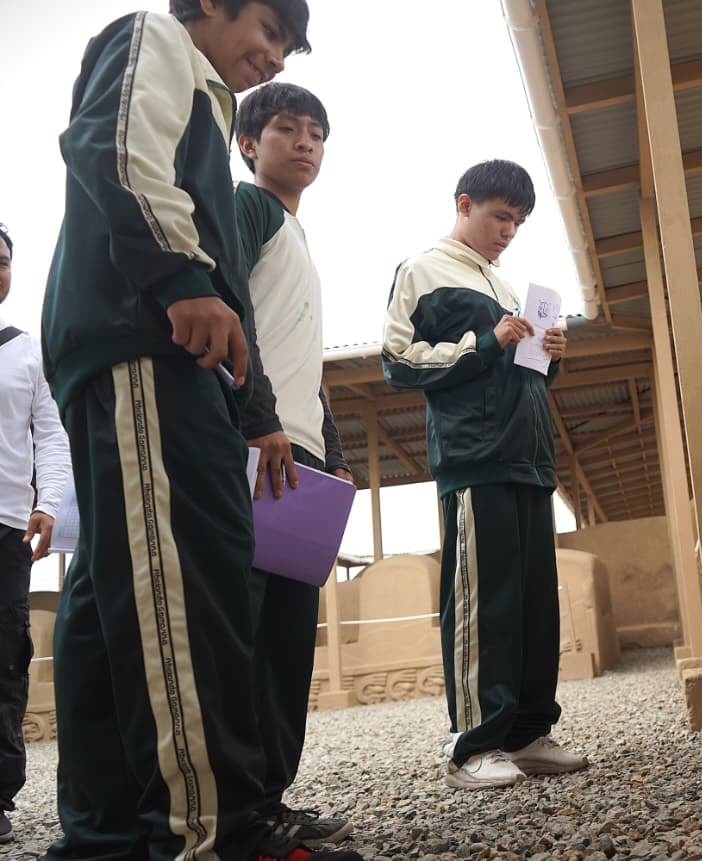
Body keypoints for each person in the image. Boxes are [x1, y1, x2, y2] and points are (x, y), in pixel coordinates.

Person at [40, 3, 361, 859]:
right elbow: (109, 148)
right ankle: (212, 832)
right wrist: (180, 275)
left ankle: (107, 835)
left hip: (159, 353)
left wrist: (253, 410)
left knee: (124, 597)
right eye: (268, 26)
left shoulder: (208, 108)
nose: (275, 52)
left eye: (289, 46)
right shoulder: (156, 39)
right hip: (147, 339)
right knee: (180, 585)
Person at [381, 159, 588, 790]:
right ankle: (474, 746)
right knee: (483, 603)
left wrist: (544, 358)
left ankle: (525, 734)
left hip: (529, 460)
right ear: (464, 203)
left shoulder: (501, 281)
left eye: (519, 222)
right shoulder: (422, 270)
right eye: (501, 216)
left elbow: (514, 371)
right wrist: (486, 341)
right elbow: (398, 361)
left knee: (531, 607)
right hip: (474, 460)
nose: (509, 231)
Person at [234, 81, 354, 847]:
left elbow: (299, 354)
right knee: (242, 632)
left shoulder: (299, 236)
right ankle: (234, 809)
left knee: (284, 635)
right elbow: (228, 309)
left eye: (316, 131)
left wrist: (333, 454)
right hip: (255, 444)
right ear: (249, 144)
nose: (305, 142)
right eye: (286, 128)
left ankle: (270, 798)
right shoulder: (246, 208)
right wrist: (259, 417)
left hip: (300, 453)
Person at [0, 224, 71, 845]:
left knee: (5, 657)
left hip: (5, 529)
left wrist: (47, 502)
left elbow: (49, 434)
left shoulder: (27, 351)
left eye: (1, 262)